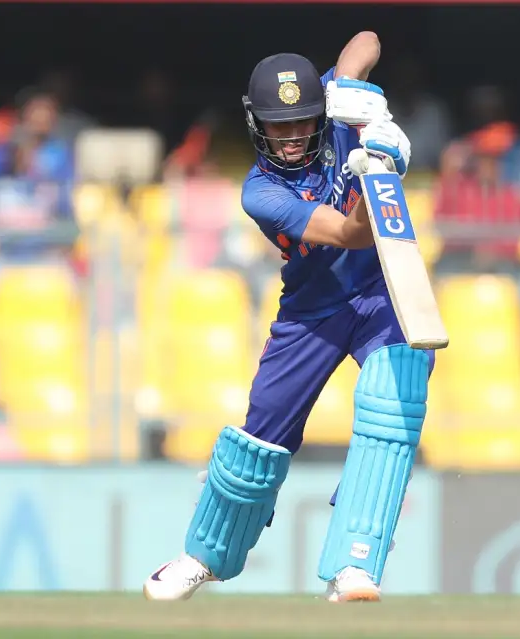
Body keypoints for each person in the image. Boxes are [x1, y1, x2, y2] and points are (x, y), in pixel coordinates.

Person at [144, 32, 432, 604]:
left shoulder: (333, 107)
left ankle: (355, 565)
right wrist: (381, 170)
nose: (296, 136)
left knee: (391, 408)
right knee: (260, 441)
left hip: (382, 294)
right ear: (257, 125)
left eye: (304, 121)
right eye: (281, 126)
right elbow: (350, 233)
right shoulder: (262, 192)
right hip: (312, 309)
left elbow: (366, 41)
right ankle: (202, 556)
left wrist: (353, 92)